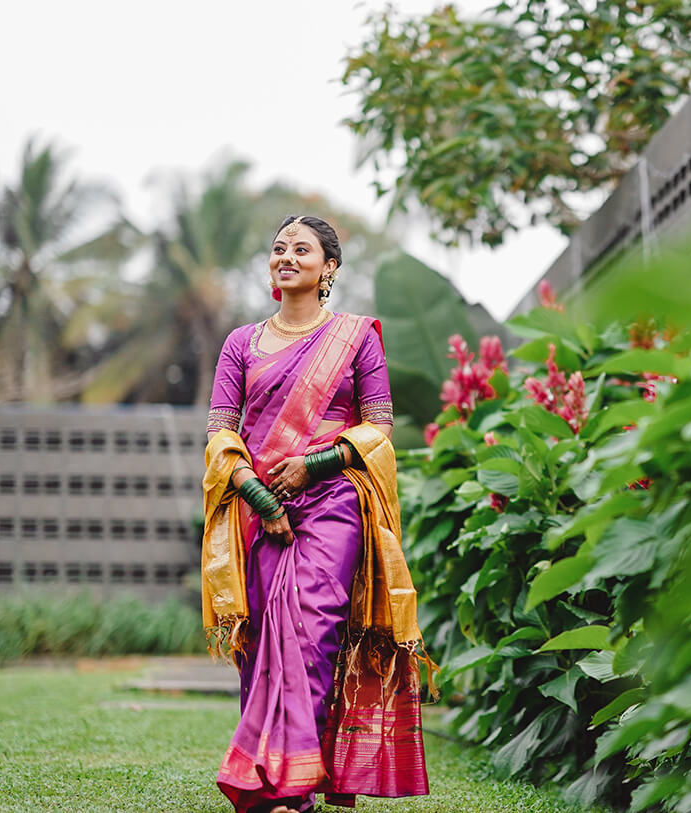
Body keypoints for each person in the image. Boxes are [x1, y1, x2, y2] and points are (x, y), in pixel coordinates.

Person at [201, 215, 433, 813]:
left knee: (310, 636)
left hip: (332, 502)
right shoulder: (240, 344)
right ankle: (272, 781)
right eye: (277, 248)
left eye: (301, 249)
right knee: (263, 648)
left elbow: (378, 429)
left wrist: (314, 466)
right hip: (262, 509)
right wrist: (260, 495)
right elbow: (221, 434)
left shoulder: (356, 337)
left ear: (328, 267)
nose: (285, 257)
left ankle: (291, 788)